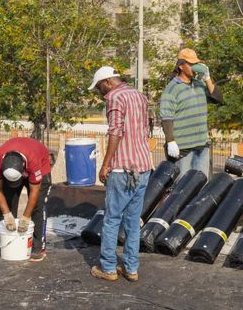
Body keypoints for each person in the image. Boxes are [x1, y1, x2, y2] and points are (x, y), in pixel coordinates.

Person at [88, 65, 153, 282]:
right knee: (133, 222)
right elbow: (146, 129)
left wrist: (105, 165)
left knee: (112, 219)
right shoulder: (139, 96)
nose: (100, 92)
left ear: (107, 82)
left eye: (99, 88)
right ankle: (131, 268)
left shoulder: (115, 97)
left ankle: (108, 268)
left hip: (122, 169)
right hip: (143, 167)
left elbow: (115, 132)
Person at [0, 136, 52, 262]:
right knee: (7, 202)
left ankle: (39, 246)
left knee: (38, 206)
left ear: (23, 167)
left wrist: (26, 217)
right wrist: (7, 214)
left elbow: (34, 192)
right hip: (18, 166)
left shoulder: (33, 161)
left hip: (40, 167)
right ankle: (2, 240)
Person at [160, 48, 212, 176]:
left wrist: (208, 78)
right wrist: (170, 141)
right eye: (191, 64)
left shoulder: (200, 84)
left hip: (201, 145)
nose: (194, 67)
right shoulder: (172, 88)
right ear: (181, 66)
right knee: (182, 188)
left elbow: (217, 98)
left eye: (196, 64)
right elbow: (166, 117)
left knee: (201, 184)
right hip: (182, 148)